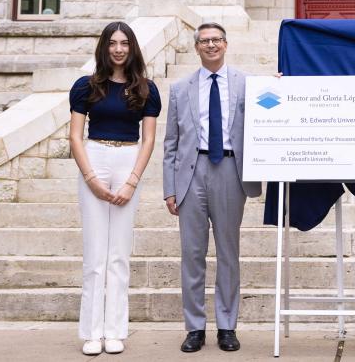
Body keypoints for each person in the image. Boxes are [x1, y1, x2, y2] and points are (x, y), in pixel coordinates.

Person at [162, 22, 262, 353]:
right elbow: (170, 144)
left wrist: (278, 90)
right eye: (204, 41)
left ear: (226, 43)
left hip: (231, 170)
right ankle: (194, 328)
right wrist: (169, 188)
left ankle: (227, 326)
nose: (211, 45)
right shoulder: (180, 89)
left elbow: (270, 110)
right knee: (192, 255)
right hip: (192, 174)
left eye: (216, 39)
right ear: (196, 48)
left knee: (228, 253)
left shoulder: (247, 84)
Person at [69, 21, 161, 355]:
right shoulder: (85, 86)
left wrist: (132, 181)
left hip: (128, 160)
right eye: (112, 43)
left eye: (124, 43)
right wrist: (91, 177)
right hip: (94, 157)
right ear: (104, 47)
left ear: (132, 47)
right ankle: (92, 332)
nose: (118, 49)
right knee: (95, 255)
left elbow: (149, 139)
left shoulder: (146, 89)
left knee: (119, 255)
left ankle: (115, 330)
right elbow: (74, 136)